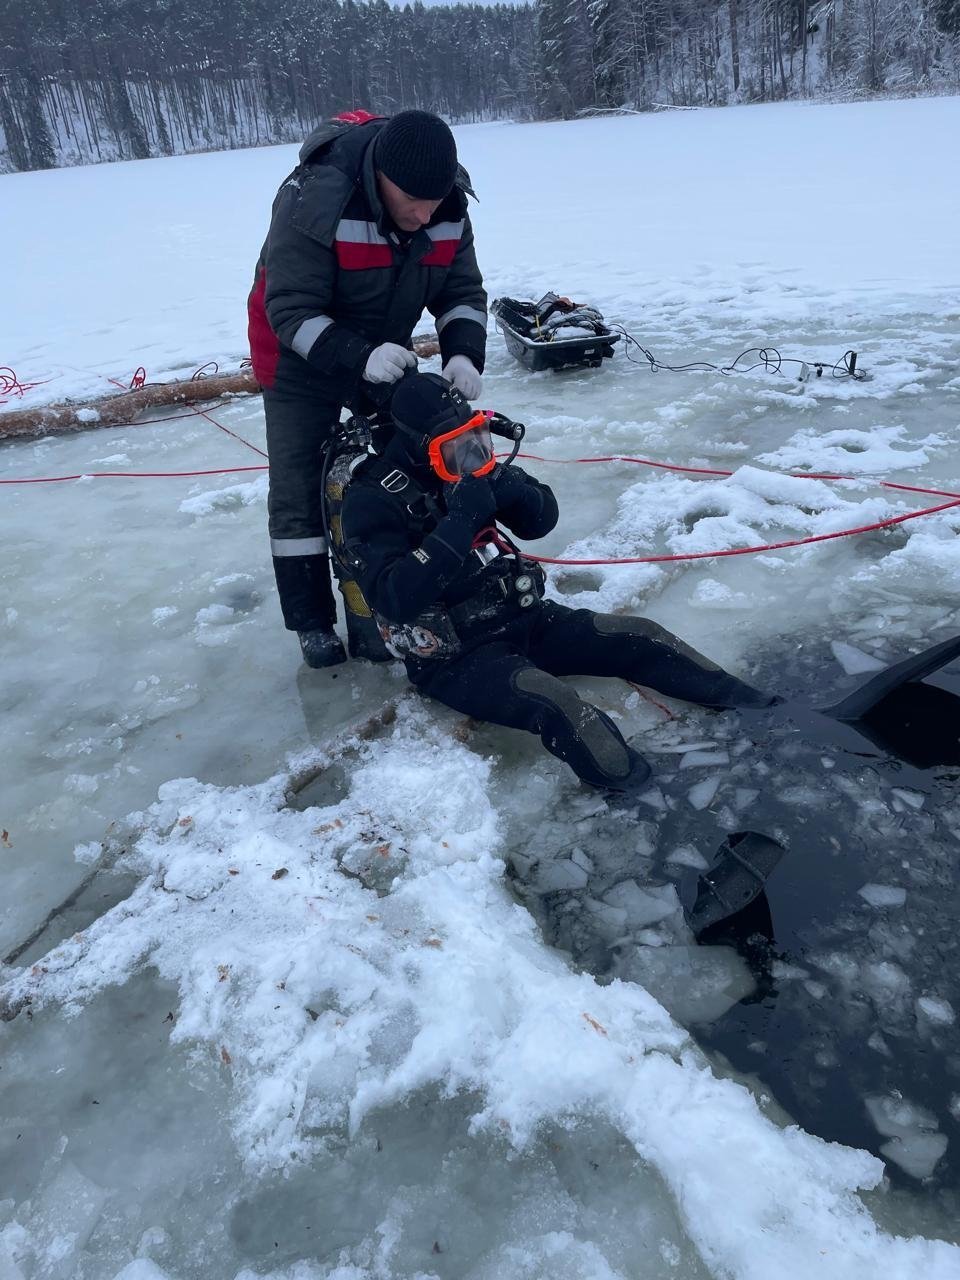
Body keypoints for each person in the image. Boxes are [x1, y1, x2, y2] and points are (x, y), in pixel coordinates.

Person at [339, 373, 777, 791]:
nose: (468, 453)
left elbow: (541, 521)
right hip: (453, 656)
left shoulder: (470, 463)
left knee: (642, 637)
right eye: (452, 448)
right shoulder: (370, 499)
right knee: (560, 704)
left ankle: (768, 713)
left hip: (522, 616)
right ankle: (641, 793)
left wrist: (507, 486)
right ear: (417, 447)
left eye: (475, 437)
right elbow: (393, 595)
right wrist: (461, 521)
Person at [247, 109, 487, 668]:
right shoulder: (314, 198)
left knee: (420, 450)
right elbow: (291, 309)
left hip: (383, 344)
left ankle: (412, 588)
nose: (425, 214)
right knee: (301, 482)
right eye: (413, 202)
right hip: (295, 351)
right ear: (381, 176)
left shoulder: (445, 202)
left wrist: (462, 354)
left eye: (436, 202)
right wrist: (358, 356)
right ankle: (311, 622)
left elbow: (461, 289)